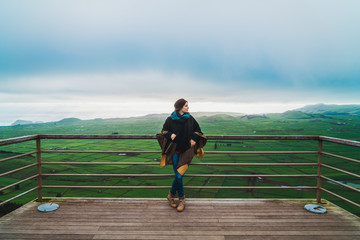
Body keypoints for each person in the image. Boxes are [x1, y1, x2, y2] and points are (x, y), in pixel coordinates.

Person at [156, 98, 207, 212]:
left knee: (179, 174)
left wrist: (194, 138)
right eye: (186, 106)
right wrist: (170, 134)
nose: (188, 107)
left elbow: (198, 130)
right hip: (174, 151)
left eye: (187, 106)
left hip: (186, 151)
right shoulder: (170, 119)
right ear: (179, 107)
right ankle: (176, 197)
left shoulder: (190, 118)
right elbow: (164, 131)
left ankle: (176, 198)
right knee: (178, 175)